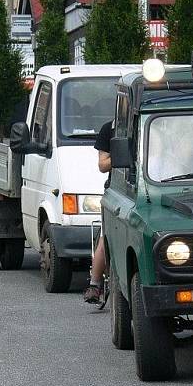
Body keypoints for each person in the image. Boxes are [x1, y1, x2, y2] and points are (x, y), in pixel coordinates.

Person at [83, 120, 112, 304]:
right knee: (106, 236)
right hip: (118, 189)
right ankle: (95, 284)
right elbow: (102, 165)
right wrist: (127, 154)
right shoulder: (110, 128)